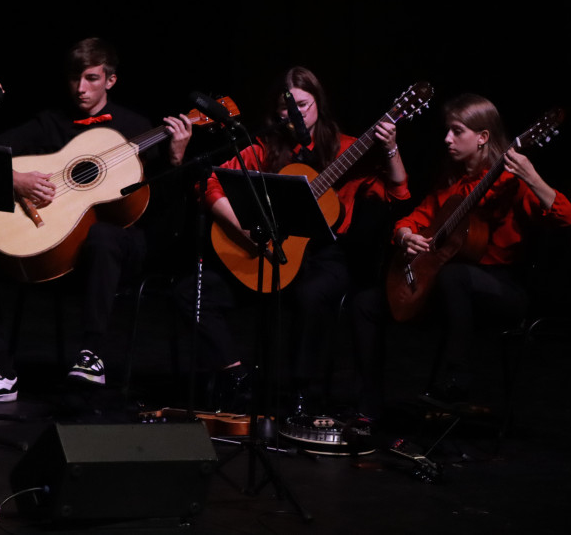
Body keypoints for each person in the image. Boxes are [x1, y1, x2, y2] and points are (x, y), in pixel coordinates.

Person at [0, 37, 192, 405]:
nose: (81, 88)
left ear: (110, 80)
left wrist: (176, 160)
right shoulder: (50, 122)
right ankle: (0, 368)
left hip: (117, 248)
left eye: (92, 78)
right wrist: (16, 180)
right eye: (74, 78)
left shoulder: (136, 127)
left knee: (102, 236)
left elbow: (166, 209)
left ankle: (91, 354)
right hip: (56, 243)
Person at [173, 66, 411, 414]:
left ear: (319, 103)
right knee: (190, 291)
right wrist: (240, 227)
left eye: (302, 103)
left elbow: (398, 194)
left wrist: (390, 149)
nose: (294, 112)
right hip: (265, 251)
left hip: (322, 254)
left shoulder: (346, 149)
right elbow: (208, 183)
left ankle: (301, 391)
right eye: (286, 106)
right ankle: (234, 374)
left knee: (310, 295)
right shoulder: (264, 147)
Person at [353, 93, 571, 414]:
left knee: (455, 276)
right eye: (448, 130)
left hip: (501, 290)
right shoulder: (452, 181)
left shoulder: (511, 181)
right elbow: (414, 218)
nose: (447, 139)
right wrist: (404, 236)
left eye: (457, 131)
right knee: (365, 303)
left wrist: (531, 175)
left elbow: (564, 216)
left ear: (483, 137)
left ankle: (456, 382)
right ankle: (367, 406)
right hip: (449, 290)